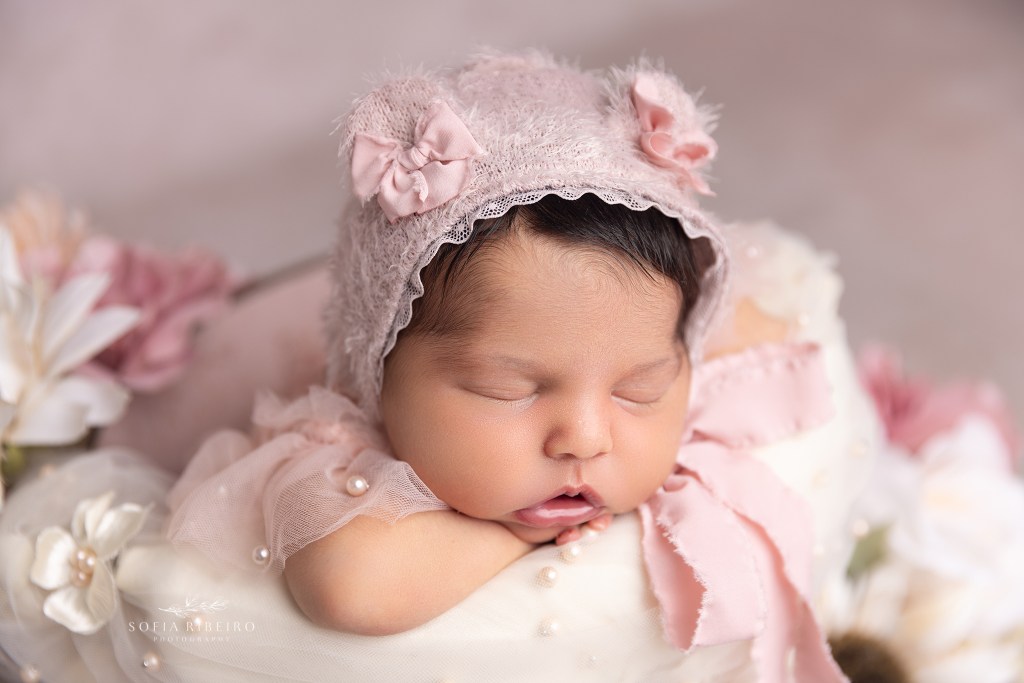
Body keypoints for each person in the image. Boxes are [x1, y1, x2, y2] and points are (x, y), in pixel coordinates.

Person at [0, 50, 878, 682]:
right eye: (508, 387)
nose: (585, 432)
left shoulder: (644, 343)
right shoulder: (328, 453)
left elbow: (754, 317)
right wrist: (514, 530)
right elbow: (351, 587)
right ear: (376, 372)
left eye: (640, 386)